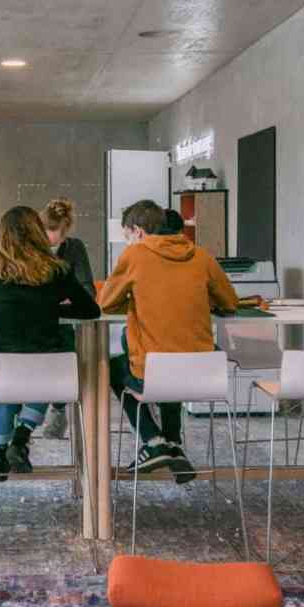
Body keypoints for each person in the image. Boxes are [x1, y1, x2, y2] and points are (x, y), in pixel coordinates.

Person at [97, 198, 239, 482]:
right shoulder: (201, 256)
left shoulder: (135, 256)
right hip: (203, 374)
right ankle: (173, 445)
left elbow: (106, 302)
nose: (127, 242)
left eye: (127, 236)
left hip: (156, 371)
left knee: (113, 368)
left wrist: (135, 300)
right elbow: (230, 302)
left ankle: (153, 441)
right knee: (170, 354)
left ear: (138, 232)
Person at [0, 207, 100, 480]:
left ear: (4, 235)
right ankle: (21, 437)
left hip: (5, 368)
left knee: (4, 389)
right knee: (43, 377)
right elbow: (90, 310)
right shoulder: (57, 269)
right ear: (37, 232)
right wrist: (50, 309)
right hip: (46, 371)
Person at [34, 198, 94, 437]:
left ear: (65, 229)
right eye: (45, 230)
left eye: (54, 231)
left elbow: (87, 290)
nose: (49, 236)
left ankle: (57, 409)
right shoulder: (30, 249)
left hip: (64, 323)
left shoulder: (74, 248)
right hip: (36, 321)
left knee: (66, 349)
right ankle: (34, 412)